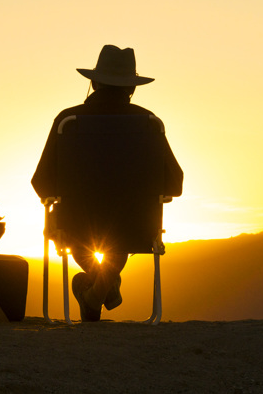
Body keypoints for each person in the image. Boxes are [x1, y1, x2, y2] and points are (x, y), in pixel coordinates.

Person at [31, 45, 183, 321]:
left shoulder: (69, 121)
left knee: (58, 221)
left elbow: (41, 181)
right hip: (137, 226)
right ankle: (103, 287)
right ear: (132, 88)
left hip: (76, 223)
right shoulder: (149, 124)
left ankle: (96, 292)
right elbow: (175, 183)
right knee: (119, 232)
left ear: (94, 83)